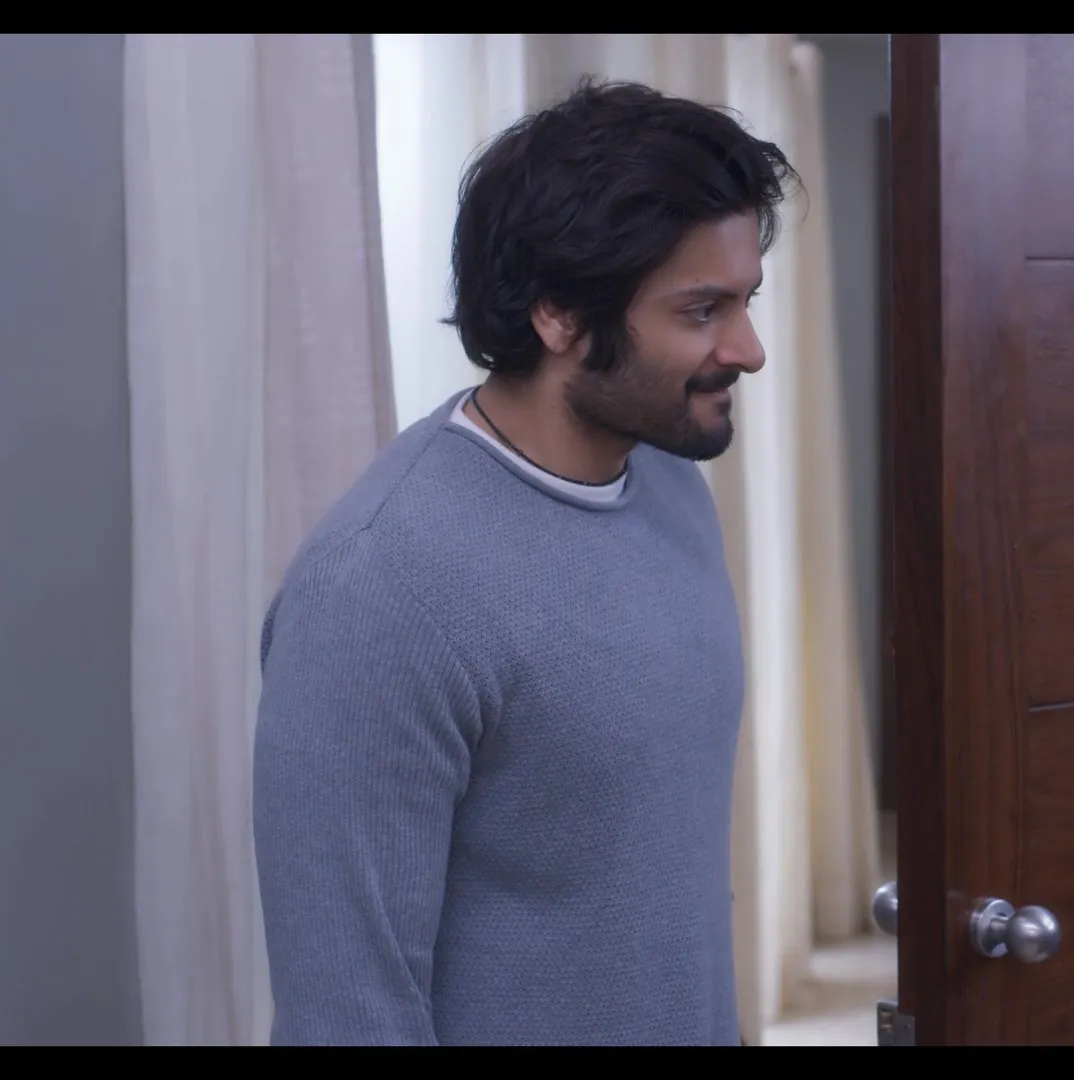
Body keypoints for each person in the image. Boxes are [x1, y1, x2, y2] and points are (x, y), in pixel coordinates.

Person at [251, 79, 797, 1046]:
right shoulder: (378, 590)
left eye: (745, 300)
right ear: (558, 315)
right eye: (702, 310)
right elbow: (350, 1013)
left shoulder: (670, 483)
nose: (749, 350)